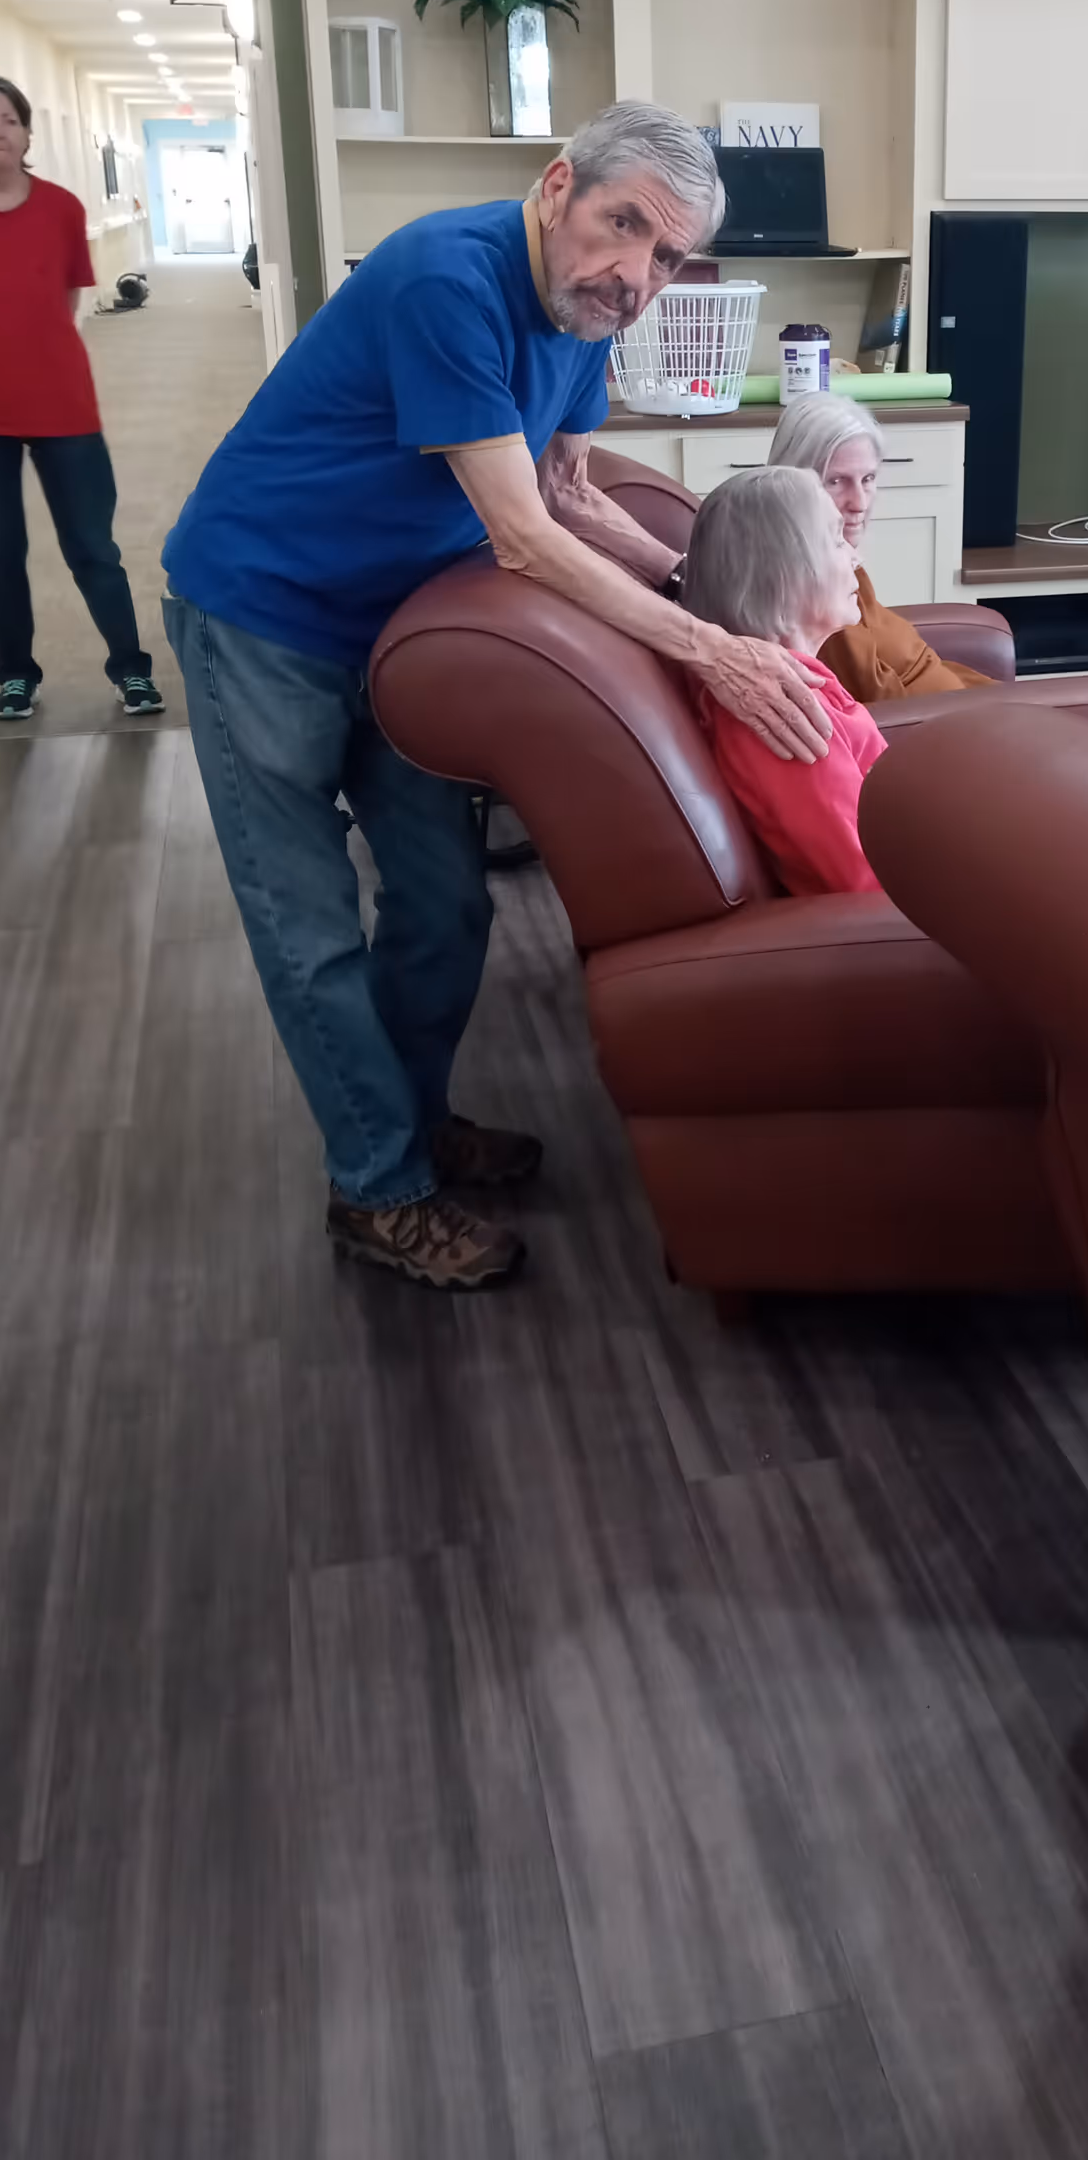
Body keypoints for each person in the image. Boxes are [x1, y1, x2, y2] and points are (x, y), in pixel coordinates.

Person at [162, 101, 831, 1293]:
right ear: (556, 186)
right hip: (258, 608)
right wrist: (709, 651)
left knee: (444, 904)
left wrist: (699, 591)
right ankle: (379, 1185)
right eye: (622, 226)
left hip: (397, 624)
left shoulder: (587, 316)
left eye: (667, 256)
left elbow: (569, 492)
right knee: (308, 926)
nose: (636, 275)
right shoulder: (447, 280)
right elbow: (520, 537)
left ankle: (408, 1123)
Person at [0, 73, 162, 723]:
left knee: (92, 546)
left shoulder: (61, 208)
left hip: (62, 405)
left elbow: (68, 299)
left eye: (10, 120)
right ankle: (16, 675)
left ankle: (131, 670)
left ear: (26, 134)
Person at [682, 465, 887, 895]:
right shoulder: (781, 713)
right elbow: (861, 877)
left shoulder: (797, 685)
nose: (855, 555)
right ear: (781, 577)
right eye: (835, 540)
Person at [767, 394, 992, 703]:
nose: (859, 503)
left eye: (868, 478)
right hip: (952, 725)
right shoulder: (817, 583)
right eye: (836, 481)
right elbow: (884, 715)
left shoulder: (836, 555)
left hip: (966, 696)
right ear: (792, 483)